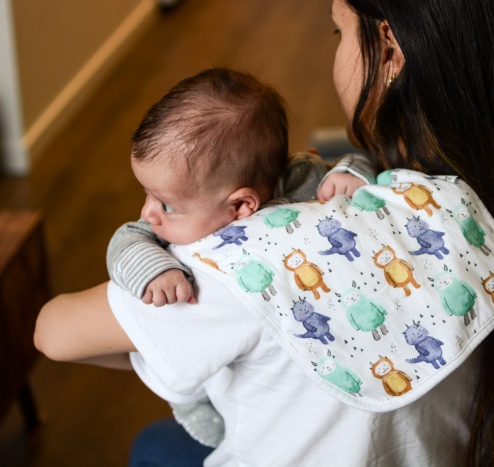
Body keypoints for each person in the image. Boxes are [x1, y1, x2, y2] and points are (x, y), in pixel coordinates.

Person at [35, 1, 494, 466]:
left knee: (150, 448)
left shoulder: (250, 260)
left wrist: (149, 273)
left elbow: (52, 333)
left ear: (389, 50)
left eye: (337, 32)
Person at [104, 67, 376, 448]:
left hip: (304, 365)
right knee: (198, 409)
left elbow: (355, 162)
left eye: (165, 203)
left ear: (241, 206)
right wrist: (154, 271)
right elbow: (127, 239)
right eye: (148, 194)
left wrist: (352, 174)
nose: (148, 212)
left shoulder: (303, 179)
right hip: (210, 381)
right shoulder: (157, 227)